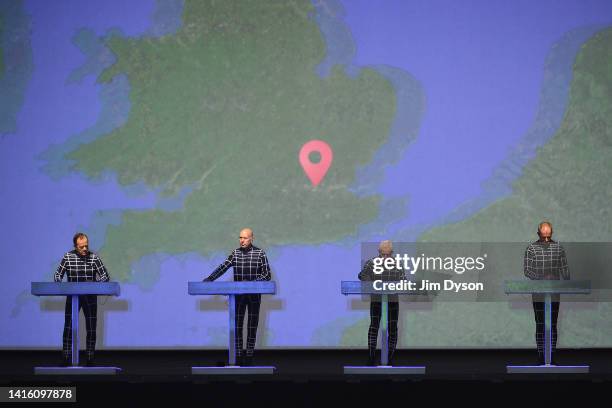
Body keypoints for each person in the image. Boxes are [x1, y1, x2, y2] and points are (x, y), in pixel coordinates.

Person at [203, 228, 271, 366]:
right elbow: (223, 267)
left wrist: (252, 284)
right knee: (238, 326)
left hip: (254, 297)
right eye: (240, 238)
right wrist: (209, 279)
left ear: (252, 238)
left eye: (245, 238)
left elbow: (267, 275)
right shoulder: (235, 253)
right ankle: (239, 356)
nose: (242, 240)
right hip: (238, 297)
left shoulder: (260, 253)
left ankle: (250, 356)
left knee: (252, 327)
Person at [54, 232, 109, 366]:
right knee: (68, 327)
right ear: (75, 246)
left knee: (91, 328)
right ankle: (66, 357)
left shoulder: (94, 258)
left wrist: (96, 284)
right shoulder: (68, 257)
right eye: (81, 247)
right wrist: (59, 284)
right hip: (73, 297)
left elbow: (105, 276)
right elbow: (57, 275)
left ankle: (90, 358)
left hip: (90, 298)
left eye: (86, 246)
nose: (85, 249)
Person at [523, 221, 569, 366]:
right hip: (538, 292)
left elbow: (565, 269)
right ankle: (541, 356)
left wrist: (566, 280)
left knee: (552, 324)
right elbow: (527, 270)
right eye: (544, 237)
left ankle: (551, 356)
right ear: (538, 234)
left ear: (552, 233)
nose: (547, 240)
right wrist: (541, 278)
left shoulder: (558, 247)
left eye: (548, 237)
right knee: (541, 324)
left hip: (555, 292)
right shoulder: (531, 248)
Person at [358, 240, 405, 366]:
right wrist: (373, 284)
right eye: (382, 254)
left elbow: (403, 280)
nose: (385, 257)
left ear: (392, 253)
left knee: (393, 329)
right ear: (379, 252)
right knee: (374, 327)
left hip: (393, 300)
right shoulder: (372, 262)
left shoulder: (398, 264)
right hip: (377, 299)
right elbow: (362, 275)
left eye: (387, 254)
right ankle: (371, 357)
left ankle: (390, 358)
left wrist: (398, 284)